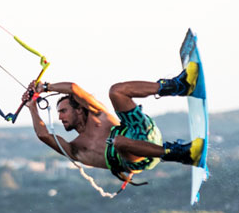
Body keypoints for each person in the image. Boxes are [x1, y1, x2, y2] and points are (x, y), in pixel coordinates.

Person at [23, 66, 204, 184]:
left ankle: (179, 86)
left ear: (79, 110)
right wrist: (32, 108)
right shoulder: (76, 148)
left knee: (116, 91)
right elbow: (44, 135)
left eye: (63, 111)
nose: (60, 117)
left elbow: (73, 88)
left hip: (142, 129)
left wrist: (45, 87)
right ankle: (181, 154)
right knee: (118, 142)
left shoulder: (98, 114)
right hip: (137, 159)